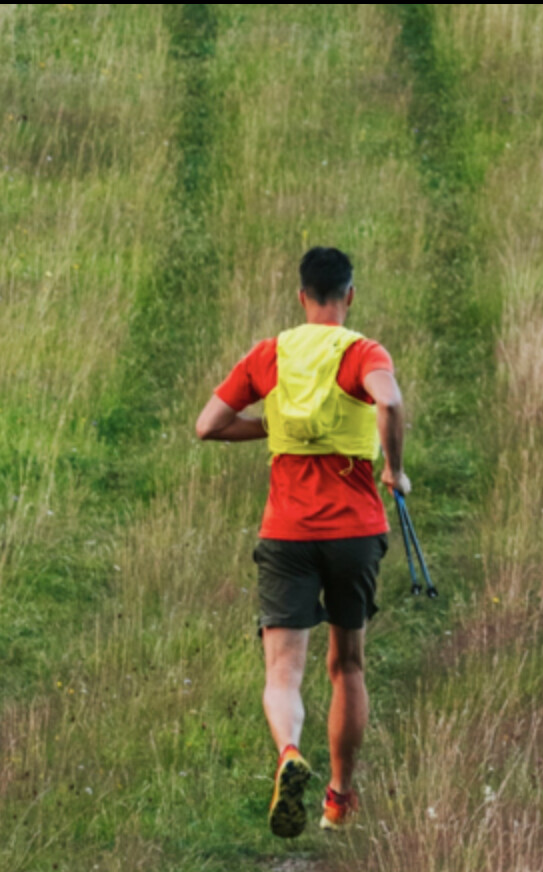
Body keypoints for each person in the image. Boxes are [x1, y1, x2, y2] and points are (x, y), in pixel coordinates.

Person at [195, 246, 409, 838]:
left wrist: (270, 423)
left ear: (300, 297)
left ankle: (289, 752)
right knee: (347, 665)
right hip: (355, 531)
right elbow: (387, 399)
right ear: (350, 295)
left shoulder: (272, 354)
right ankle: (338, 799)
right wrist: (394, 468)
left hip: (287, 531)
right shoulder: (362, 351)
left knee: (283, 673)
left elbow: (207, 425)